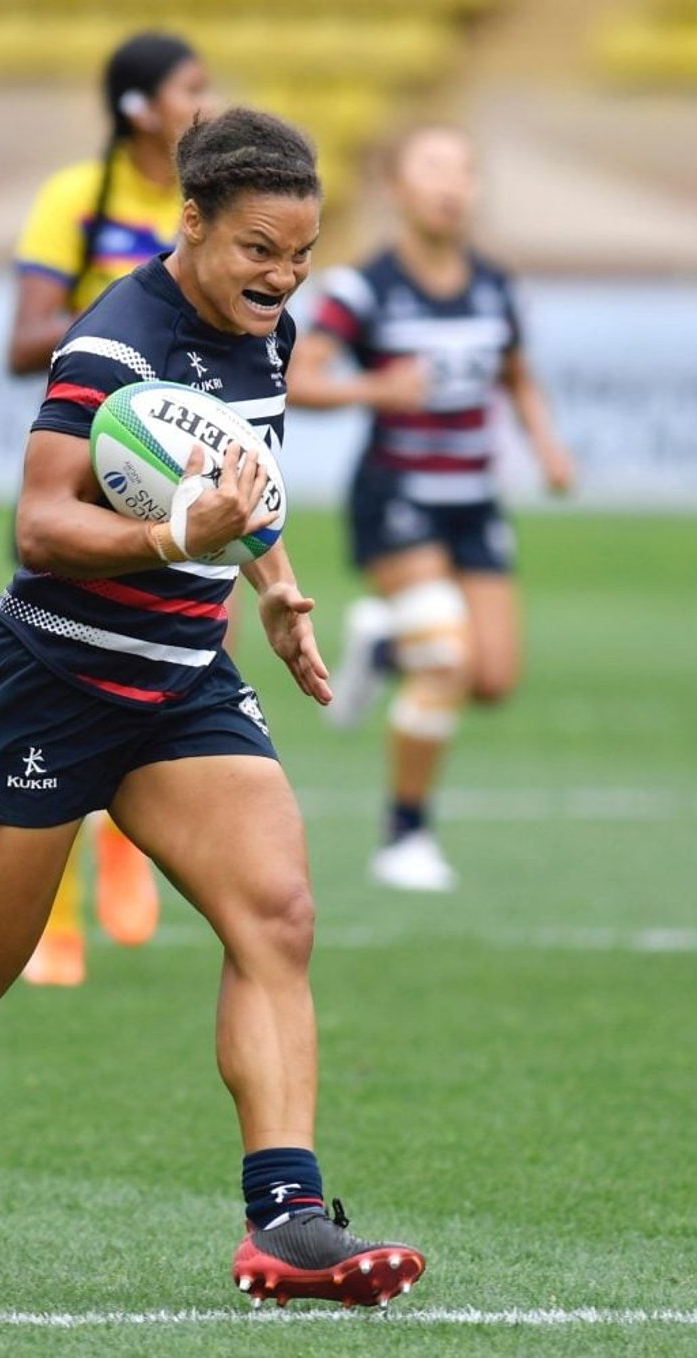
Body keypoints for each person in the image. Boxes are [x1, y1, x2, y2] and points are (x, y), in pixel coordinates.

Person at [0, 107, 426, 1310]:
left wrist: (272, 588)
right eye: (258, 252)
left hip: (180, 682)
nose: (281, 279)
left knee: (275, 914)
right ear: (192, 223)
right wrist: (182, 535)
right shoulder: (113, 342)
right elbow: (41, 524)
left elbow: (248, 486)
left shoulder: (262, 332)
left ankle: (285, 1215)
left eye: (301, 255)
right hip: (54, 677)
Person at [287, 123, 575, 893]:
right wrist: (375, 388)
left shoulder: (494, 285)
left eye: (465, 170)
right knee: (446, 658)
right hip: (397, 494)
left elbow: (517, 373)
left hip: (473, 500)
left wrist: (546, 446)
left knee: (493, 678)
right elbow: (300, 378)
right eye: (435, 169)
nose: (453, 186)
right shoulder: (364, 289)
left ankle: (384, 648)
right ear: (396, 189)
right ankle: (404, 836)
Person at [7, 31, 215, 986]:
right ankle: (50, 912)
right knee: (63, 679)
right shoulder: (73, 201)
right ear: (139, 108)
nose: (203, 105)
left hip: (190, 477)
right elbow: (22, 344)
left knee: (192, 656)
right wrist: (117, 309)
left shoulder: (203, 210)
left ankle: (125, 848)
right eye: (188, 90)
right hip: (84, 475)